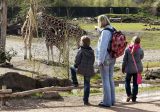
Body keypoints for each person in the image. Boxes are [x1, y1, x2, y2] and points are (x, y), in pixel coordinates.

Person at [96, 15, 116, 107]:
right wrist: (99, 31)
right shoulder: (113, 29)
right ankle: (112, 100)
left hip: (106, 58)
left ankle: (107, 102)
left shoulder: (105, 32)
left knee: (105, 80)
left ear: (101, 22)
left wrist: (100, 60)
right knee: (110, 78)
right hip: (113, 57)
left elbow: (103, 47)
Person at [70, 35, 95, 105]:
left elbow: (77, 61)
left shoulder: (81, 50)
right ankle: (86, 100)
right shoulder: (92, 51)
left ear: (82, 42)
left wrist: (76, 65)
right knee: (87, 84)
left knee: (72, 68)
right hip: (89, 70)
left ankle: (75, 83)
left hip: (81, 69)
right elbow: (93, 61)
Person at [122, 36, 144, 102]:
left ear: (132, 41)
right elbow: (141, 57)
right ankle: (134, 97)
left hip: (129, 69)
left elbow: (124, 60)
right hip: (137, 69)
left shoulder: (127, 50)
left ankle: (129, 94)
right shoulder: (140, 50)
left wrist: (123, 68)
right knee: (135, 83)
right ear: (139, 42)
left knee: (127, 81)